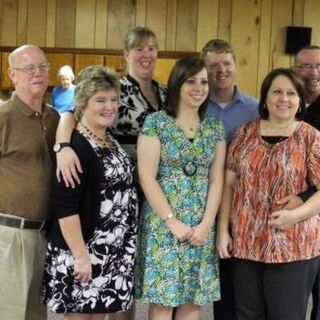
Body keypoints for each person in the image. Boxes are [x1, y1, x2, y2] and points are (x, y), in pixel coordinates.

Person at [217, 68, 320, 320]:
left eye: (291, 93)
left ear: (299, 101)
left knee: (285, 314)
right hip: (245, 242)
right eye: (277, 91)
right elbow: (228, 185)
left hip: (294, 244)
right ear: (265, 98)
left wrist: (295, 216)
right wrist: (222, 231)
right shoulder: (244, 134)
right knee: (247, 314)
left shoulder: (310, 137)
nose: (283, 98)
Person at [41, 65, 139, 319]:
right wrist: (81, 257)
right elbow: (65, 206)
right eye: (100, 100)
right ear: (83, 103)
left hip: (111, 251)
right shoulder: (75, 146)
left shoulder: (109, 139)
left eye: (113, 100)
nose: (109, 106)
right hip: (84, 251)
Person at [134, 56, 226, 320]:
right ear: (177, 84)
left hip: (201, 222)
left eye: (204, 82)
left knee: (192, 300)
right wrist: (171, 221)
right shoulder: (156, 123)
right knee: (163, 301)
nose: (199, 87)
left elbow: (216, 179)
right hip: (164, 223)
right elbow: (147, 177)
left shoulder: (214, 127)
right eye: (191, 81)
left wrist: (207, 224)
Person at [200, 39, 259, 320]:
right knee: (208, 285)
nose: (220, 70)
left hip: (243, 206)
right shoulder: (194, 105)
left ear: (235, 66)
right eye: (213, 65)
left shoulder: (256, 109)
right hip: (200, 203)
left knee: (241, 283)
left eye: (226, 64)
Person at [0, 45, 59, 320]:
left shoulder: (53, 117)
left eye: (43, 66)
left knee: (35, 314)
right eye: (29, 68)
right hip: (10, 234)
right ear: (12, 74)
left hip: (43, 233)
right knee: (10, 313)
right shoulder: (3, 117)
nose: (38, 73)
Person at [294, 45, 320, 320]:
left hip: (313, 206)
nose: (313, 73)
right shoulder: (287, 105)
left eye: (318, 66)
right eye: (305, 66)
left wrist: (304, 198)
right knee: (294, 297)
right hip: (294, 218)